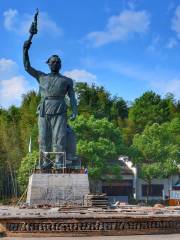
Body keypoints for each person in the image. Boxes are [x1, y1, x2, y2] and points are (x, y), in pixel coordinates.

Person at [23, 40, 77, 169]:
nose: (55, 64)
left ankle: (59, 161)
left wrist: (74, 110)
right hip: (44, 109)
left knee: (60, 137)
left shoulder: (67, 80)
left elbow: (72, 97)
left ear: (61, 65)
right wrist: (24, 50)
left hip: (60, 108)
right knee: (43, 138)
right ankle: (44, 162)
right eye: (53, 62)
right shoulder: (41, 76)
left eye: (58, 62)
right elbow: (27, 67)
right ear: (48, 64)